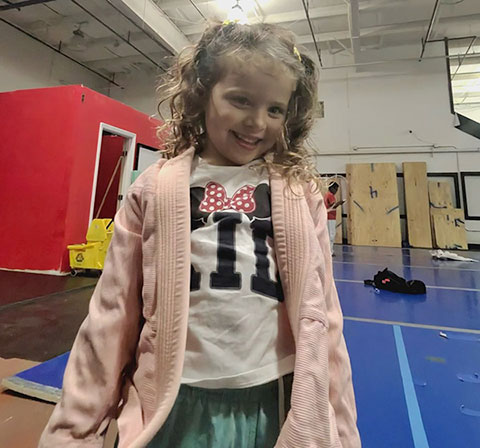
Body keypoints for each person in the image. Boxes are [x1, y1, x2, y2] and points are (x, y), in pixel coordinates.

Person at [39, 21, 361, 448]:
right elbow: (109, 320)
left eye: (274, 109)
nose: (256, 122)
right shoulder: (154, 189)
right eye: (240, 100)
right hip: (174, 406)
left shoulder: (300, 196)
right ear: (201, 94)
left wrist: (338, 430)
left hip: (273, 402)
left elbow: (325, 320)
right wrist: (74, 432)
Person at [324, 182, 344, 256]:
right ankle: (330, 251)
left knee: (329, 234)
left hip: (328, 217)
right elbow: (333, 206)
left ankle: (329, 250)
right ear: (332, 188)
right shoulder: (330, 195)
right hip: (330, 217)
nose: (336, 191)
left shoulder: (327, 195)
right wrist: (339, 203)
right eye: (336, 189)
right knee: (331, 235)